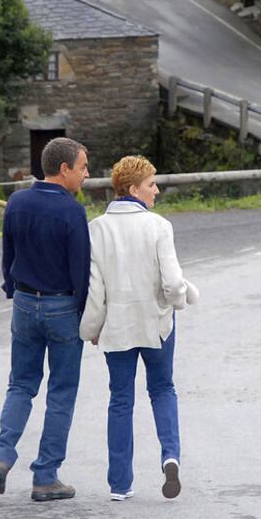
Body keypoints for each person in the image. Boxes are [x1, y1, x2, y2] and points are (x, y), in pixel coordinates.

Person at [79, 155, 199, 501]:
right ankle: (170, 457)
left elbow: (95, 289)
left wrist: (92, 329)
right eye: (151, 184)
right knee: (162, 389)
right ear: (133, 189)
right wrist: (175, 303)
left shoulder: (96, 229)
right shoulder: (158, 226)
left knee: (120, 399)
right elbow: (174, 283)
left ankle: (120, 484)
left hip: (117, 325)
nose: (156, 190)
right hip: (156, 323)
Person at [0, 137, 90, 502]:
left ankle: (1, 457)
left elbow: (7, 254)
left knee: (21, 385)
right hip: (62, 308)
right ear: (64, 169)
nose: (86, 174)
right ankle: (45, 477)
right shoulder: (73, 212)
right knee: (61, 393)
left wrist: (13, 289)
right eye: (83, 167)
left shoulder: (17, 202)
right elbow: (81, 272)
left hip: (25, 303)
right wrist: (88, 317)